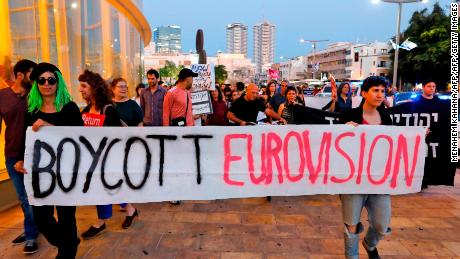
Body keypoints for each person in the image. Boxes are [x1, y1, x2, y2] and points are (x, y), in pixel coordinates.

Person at [15, 62, 82, 258]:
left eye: (51, 80)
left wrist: (48, 126)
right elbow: (25, 138)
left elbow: (79, 137)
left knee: (66, 217)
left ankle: (66, 253)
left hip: (66, 173)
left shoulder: (69, 108)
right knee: (42, 217)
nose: (46, 84)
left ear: (57, 82)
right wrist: (20, 159)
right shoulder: (31, 110)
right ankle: (69, 243)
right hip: (40, 173)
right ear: (36, 84)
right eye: (41, 80)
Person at [339, 76, 392, 259]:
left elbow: (395, 143)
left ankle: (370, 244)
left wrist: (416, 137)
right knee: (351, 224)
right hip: (352, 179)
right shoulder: (348, 116)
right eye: (375, 90)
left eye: (382, 91)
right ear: (364, 93)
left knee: (381, 225)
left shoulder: (386, 117)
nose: (380, 94)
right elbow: (334, 144)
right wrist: (342, 130)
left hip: (379, 179)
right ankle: (352, 256)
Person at [78, 70, 123, 239]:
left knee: (106, 188)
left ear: (94, 87)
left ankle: (100, 222)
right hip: (92, 161)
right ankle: (130, 211)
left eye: (84, 86)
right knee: (109, 188)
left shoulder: (109, 110)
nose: (81, 90)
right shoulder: (86, 111)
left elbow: (118, 139)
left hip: (108, 161)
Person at [0, 59, 39, 254]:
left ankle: (32, 233)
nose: (36, 80)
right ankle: (31, 230)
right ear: (20, 75)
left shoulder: (36, 96)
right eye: (32, 75)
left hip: (35, 154)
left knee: (31, 196)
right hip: (12, 155)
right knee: (23, 197)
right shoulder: (2, 96)